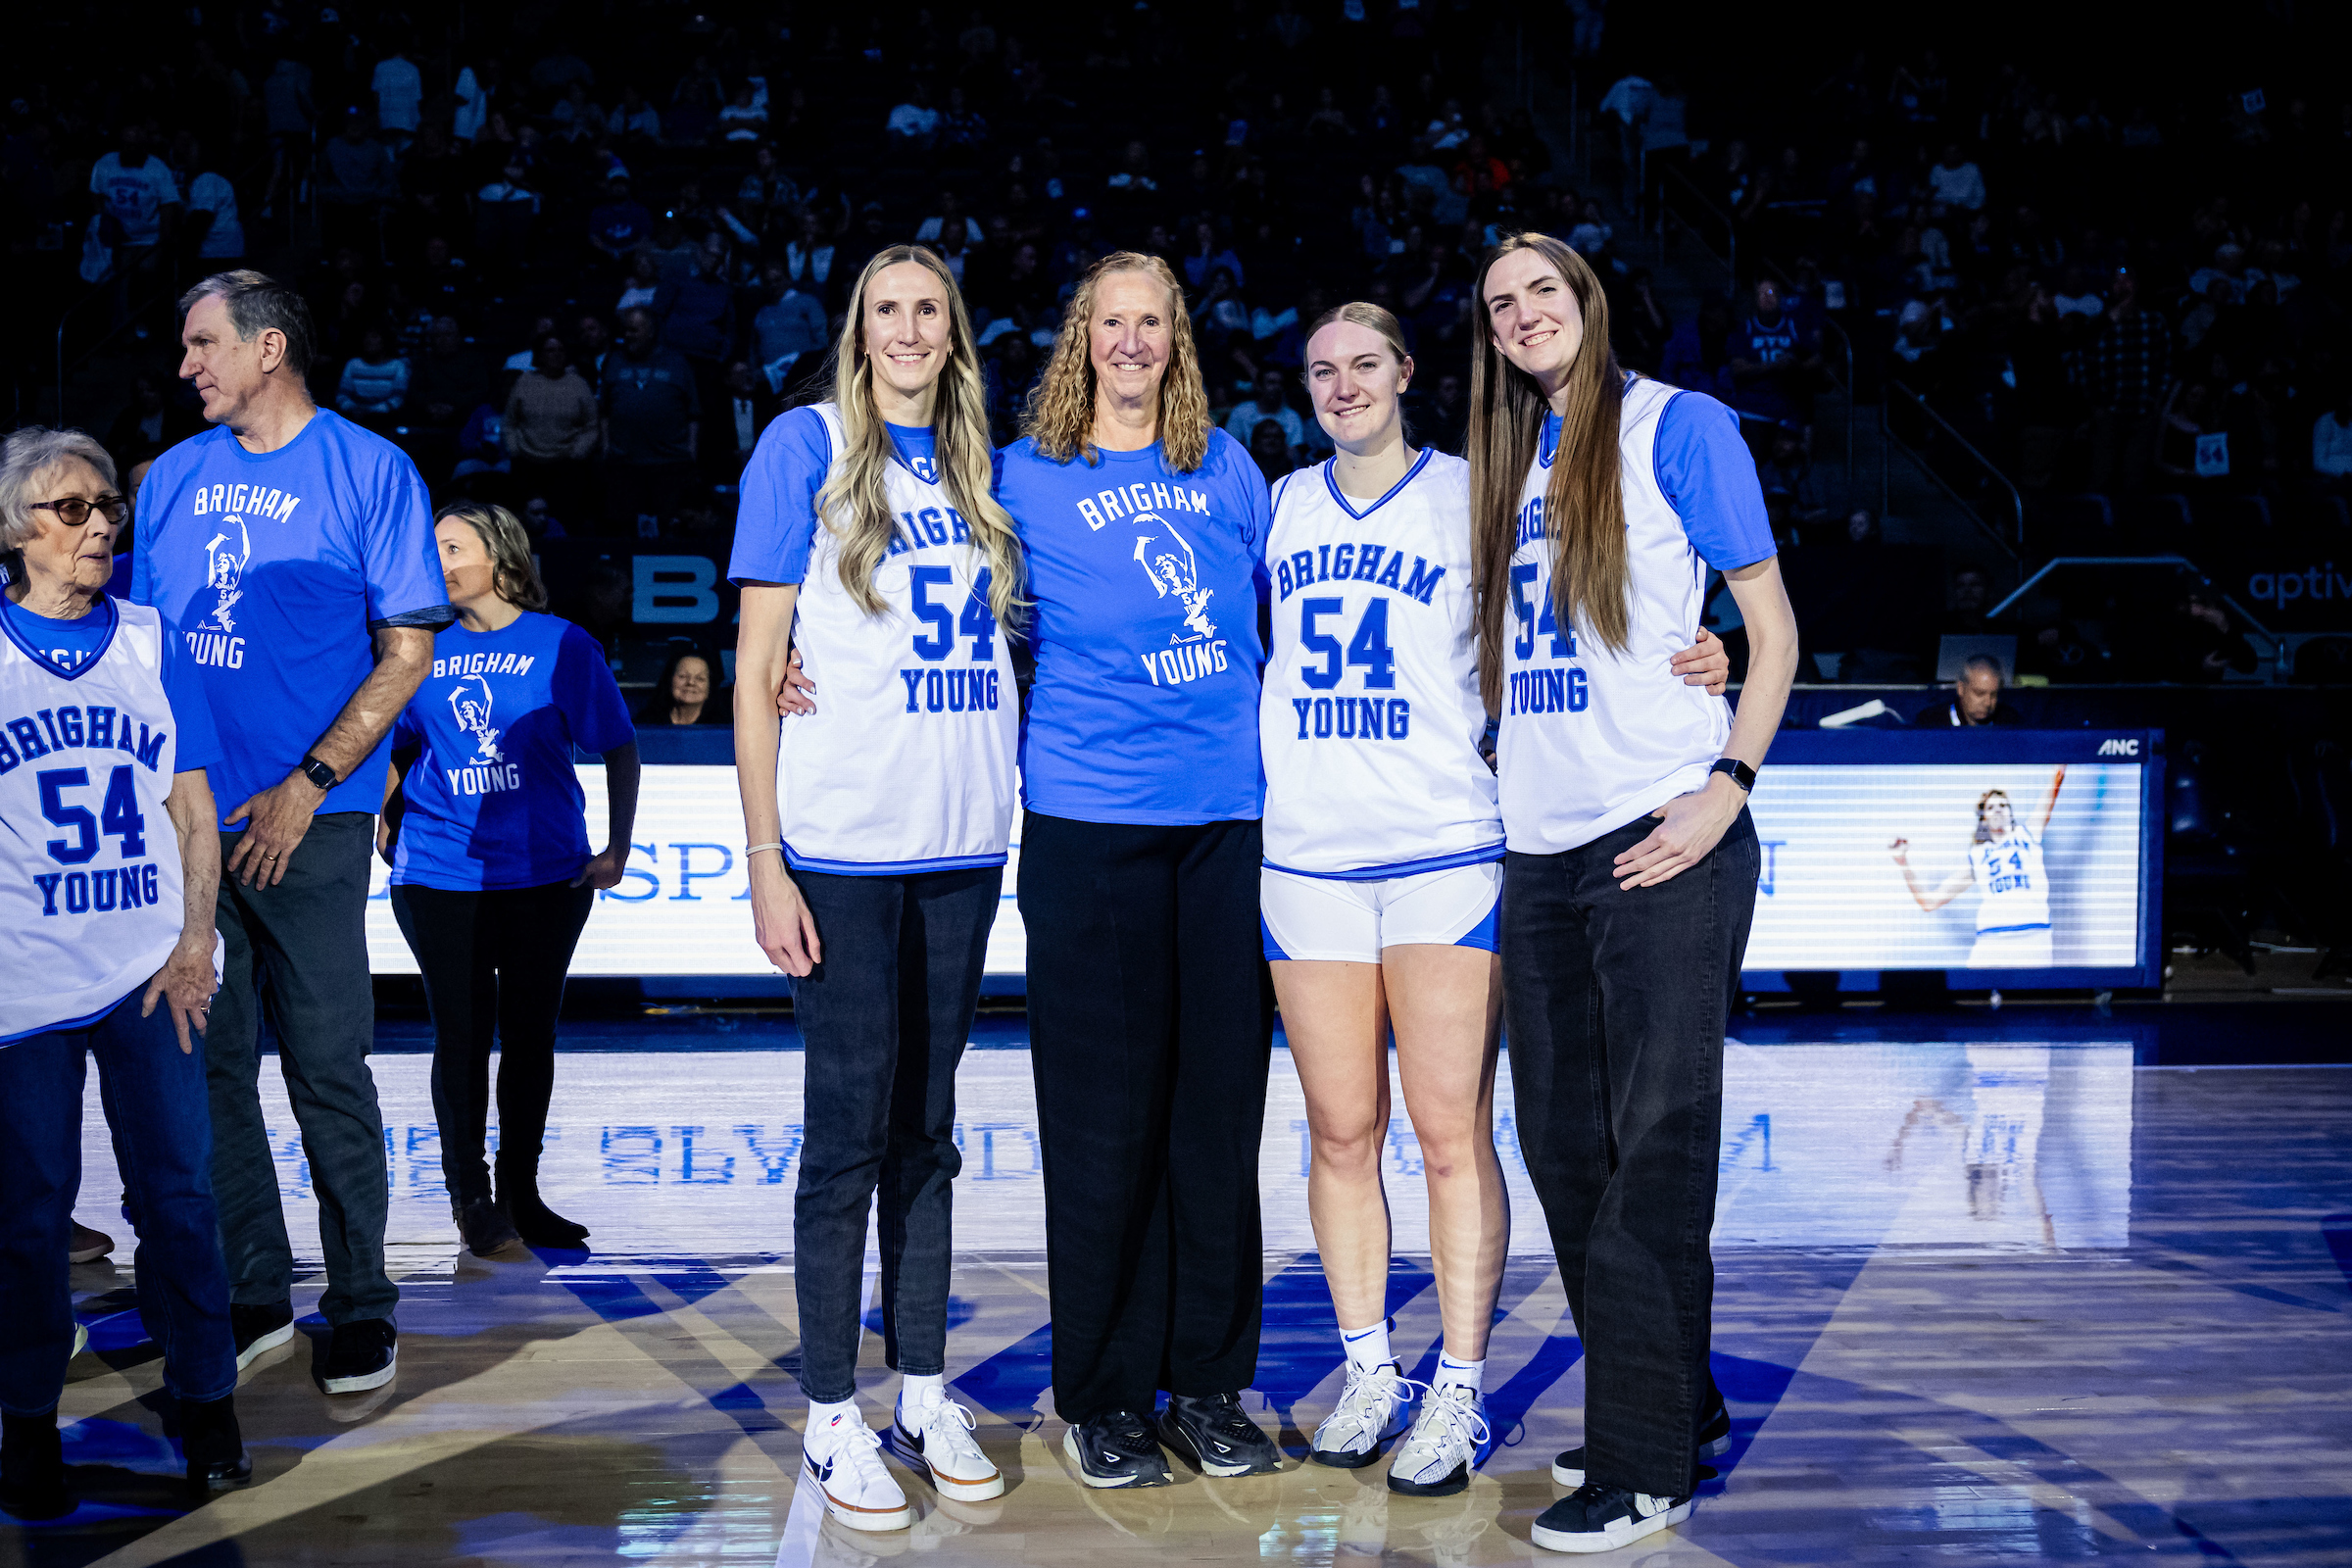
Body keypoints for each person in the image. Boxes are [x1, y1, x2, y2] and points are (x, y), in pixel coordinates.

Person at [1264, 304, 1732, 1497]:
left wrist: (1707, 638)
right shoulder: (1278, 504)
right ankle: (1371, 1367)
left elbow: (1591, 595)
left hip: (1443, 848)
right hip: (1308, 852)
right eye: (1323, 369)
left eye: (1366, 362)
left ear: (1408, 373)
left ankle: (1460, 1389)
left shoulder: (1483, 490)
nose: (1344, 384)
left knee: (1450, 1132)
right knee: (1336, 1130)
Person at [1465, 234, 1798, 1554]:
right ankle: (1681, 1400)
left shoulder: (1680, 424)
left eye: (1543, 289)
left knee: (1654, 1156)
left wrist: (1729, 783)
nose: (1524, 312)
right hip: (1539, 853)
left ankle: (1645, 1465)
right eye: (1501, 304)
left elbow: (1768, 630)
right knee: (1563, 1151)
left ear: (1588, 303)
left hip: (1663, 839)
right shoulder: (1508, 464)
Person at [732, 244, 1022, 1531]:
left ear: (954, 337)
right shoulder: (802, 445)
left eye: (929, 312)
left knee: (929, 1134)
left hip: (961, 846)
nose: (908, 330)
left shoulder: (979, 467)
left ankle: (922, 1386)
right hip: (844, 850)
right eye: (887, 311)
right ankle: (830, 1415)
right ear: (856, 332)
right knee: (845, 1140)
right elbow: (754, 672)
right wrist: (765, 861)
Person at [134, 270, 452, 1396]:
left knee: (328, 1072)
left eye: (203, 343)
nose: (187, 366)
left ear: (269, 349)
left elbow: (406, 648)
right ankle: (254, 1288)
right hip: (189, 825)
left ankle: (361, 1301)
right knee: (207, 1069)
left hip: (310, 824)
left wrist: (310, 783)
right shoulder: (168, 481)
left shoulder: (371, 470)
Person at [993, 251, 1281, 1488]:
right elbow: (955, 626)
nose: (1131, 342)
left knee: (1216, 1115)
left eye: (1151, 322)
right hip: (1089, 826)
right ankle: (1104, 1390)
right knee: (1106, 1122)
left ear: (1177, 338)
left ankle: (1210, 1383)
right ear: (1081, 338)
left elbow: (1288, 625)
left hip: (1227, 824)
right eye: (1112, 323)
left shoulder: (1227, 469)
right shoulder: (1022, 478)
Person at [0, 428, 250, 1519]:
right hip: (19, 986)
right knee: (27, 1218)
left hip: (150, 968)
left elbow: (192, 805)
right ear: (15, 530)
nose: (99, 523)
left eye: (107, 505)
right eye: (69, 508)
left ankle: (207, 1405)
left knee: (180, 1199)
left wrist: (196, 939)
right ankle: (25, 1428)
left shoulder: (149, 637)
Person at [379, 503, 639, 1255]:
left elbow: (619, 746)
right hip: (437, 873)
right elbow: (391, 739)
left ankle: (522, 1193)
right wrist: (384, 809)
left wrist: (617, 846)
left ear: (501, 557)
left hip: (547, 877)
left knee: (530, 1036)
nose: (440, 561)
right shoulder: (415, 647)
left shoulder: (563, 645)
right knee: (460, 1035)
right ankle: (471, 1196)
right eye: (434, 550)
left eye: (453, 547)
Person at [1890, 769, 2066, 967]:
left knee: (2033, 996)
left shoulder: (2029, 833)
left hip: (2033, 935)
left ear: (2011, 812)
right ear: (1984, 818)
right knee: (1973, 995)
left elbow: (2056, 779)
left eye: (2003, 805)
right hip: (1992, 941)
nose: (1998, 809)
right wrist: (1903, 862)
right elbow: (1928, 902)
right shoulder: (1977, 856)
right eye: (1991, 807)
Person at [602, 308, 701, 537]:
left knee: (670, 529)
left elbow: (694, 413)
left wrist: (691, 452)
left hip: (669, 462)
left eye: (634, 330)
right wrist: (606, 446)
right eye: (625, 330)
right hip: (624, 463)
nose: (628, 335)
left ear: (651, 331)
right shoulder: (614, 361)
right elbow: (604, 411)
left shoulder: (677, 363)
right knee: (624, 530)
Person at [1916, 654, 2023, 726]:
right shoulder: (1932, 722)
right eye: (1979, 693)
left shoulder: (2010, 721)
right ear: (1961, 688)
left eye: (1993, 695)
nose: (1987, 703)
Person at [636, 649, 726, 726]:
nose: (691, 682)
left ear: (710, 687)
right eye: (682, 676)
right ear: (669, 680)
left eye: (700, 679)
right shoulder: (645, 723)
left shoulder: (724, 727)